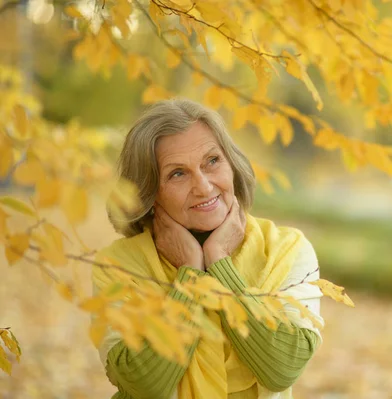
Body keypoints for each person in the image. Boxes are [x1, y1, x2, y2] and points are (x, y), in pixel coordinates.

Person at [91, 99, 324, 399]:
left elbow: (281, 368)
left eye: (212, 161)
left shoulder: (287, 250)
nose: (203, 186)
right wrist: (189, 274)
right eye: (178, 173)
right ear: (149, 194)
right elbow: (143, 384)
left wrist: (218, 263)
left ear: (232, 165)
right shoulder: (118, 264)